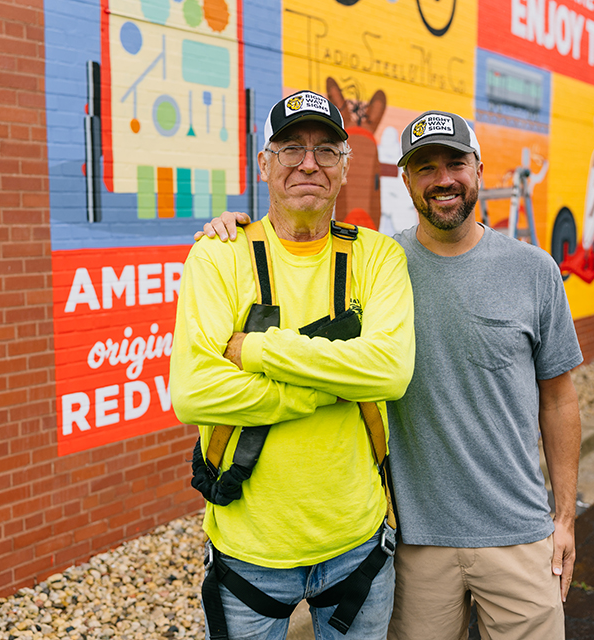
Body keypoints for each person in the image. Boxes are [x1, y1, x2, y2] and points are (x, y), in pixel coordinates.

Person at [198, 110, 583, 640]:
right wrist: (230, 228)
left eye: (455, 163)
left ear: (478, 169)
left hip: (519, 534)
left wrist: (563, 519)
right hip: (418, 541)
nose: (442, 179)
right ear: (406, 180)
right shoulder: (381, 261)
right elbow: (296, 236)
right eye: (425, 168)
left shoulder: (534, 270)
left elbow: (560, 400)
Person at [169, 90, 415, 640]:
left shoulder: (378, 257)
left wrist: (253, 351)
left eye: (327, 150)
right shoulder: (218, 255)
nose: (309, 163)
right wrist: (326, 387)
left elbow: (391, 372)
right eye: (290, 148)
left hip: (357, 548)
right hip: (248, 552)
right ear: (264, 163)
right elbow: (192, 391)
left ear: (345, 165)